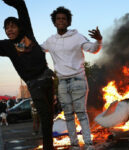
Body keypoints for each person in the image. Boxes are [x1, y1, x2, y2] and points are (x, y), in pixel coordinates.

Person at [41, 6, 102, 150]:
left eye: (64, 19)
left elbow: (93, 49)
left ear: (68, 22)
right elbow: (37, 49)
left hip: (78, 80)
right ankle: (74, 145)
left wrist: (99, 40)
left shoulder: (77, 37)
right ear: (54, 22)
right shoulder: (50, 40)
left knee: (81, 114)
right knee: (68, 115)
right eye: (58, 19)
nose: (61, 21)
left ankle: (88, 144)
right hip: (62, 82)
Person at [0, 0, 54, 149]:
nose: (10, 30)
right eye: (6, 28)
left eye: (13, 26)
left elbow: (21, 6)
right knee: (45, 116)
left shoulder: (27, 33)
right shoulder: (7, 46)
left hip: (48, 79)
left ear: (19, 27)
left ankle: (49, 144)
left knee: (49, 117)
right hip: (34, 84)